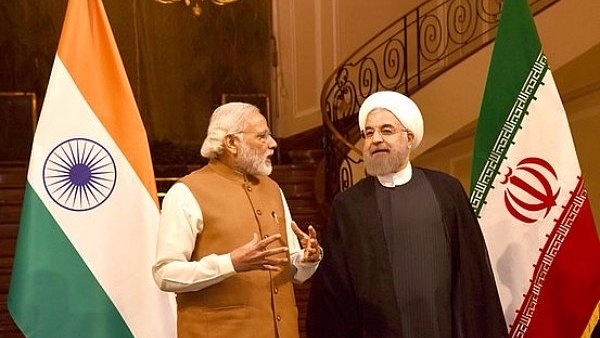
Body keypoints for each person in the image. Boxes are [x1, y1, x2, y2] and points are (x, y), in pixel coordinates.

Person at [305, 91, 508, 338]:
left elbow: (473, 277)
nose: (375, 139)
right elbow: (335, 293)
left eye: (386, 130)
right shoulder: (350, 205)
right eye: (369, 133)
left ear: (409, 138)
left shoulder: (446, 191)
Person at [153, 102, 322, 338]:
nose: (272, 144)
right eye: (262, 137)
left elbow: (293, 272)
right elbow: (165, 274)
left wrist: (306, 260)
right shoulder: (186, 192)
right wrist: (230, 263)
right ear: (231, 143)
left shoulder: (273, 189)